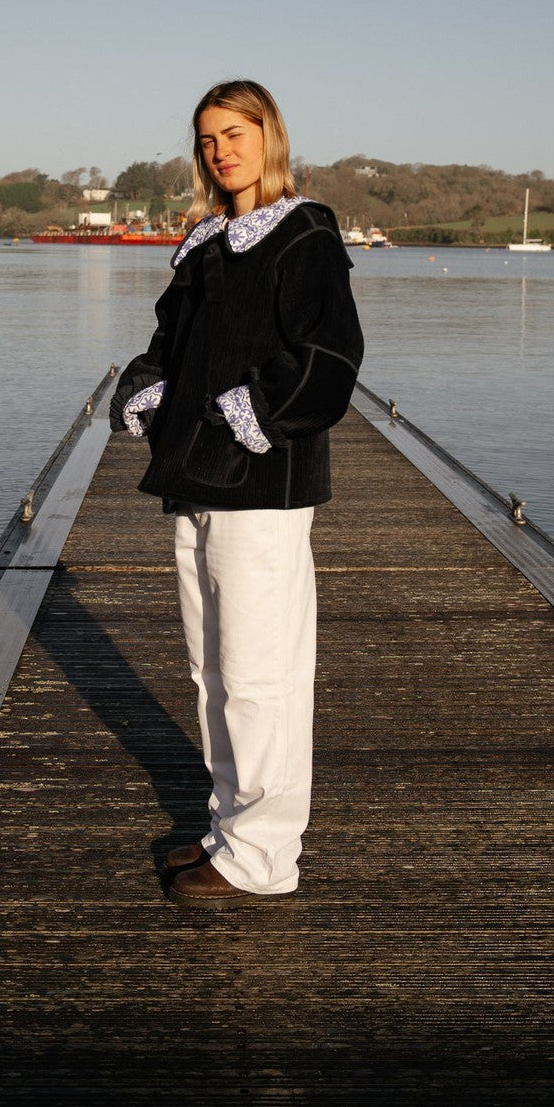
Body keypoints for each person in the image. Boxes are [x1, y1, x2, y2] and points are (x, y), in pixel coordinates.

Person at [110, 80, 364, 907]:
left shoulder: (303, 235)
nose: (221, 150)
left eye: (235, 132)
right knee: (211, 670)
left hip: (262, 482)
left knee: (262, 677)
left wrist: (250, 412)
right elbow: (165, 346)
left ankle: (264, 859)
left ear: (269, 136)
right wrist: (149, 389)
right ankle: (230, 829)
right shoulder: (206, 243)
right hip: (195, 479)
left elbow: (331, 359)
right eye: (208, 138)